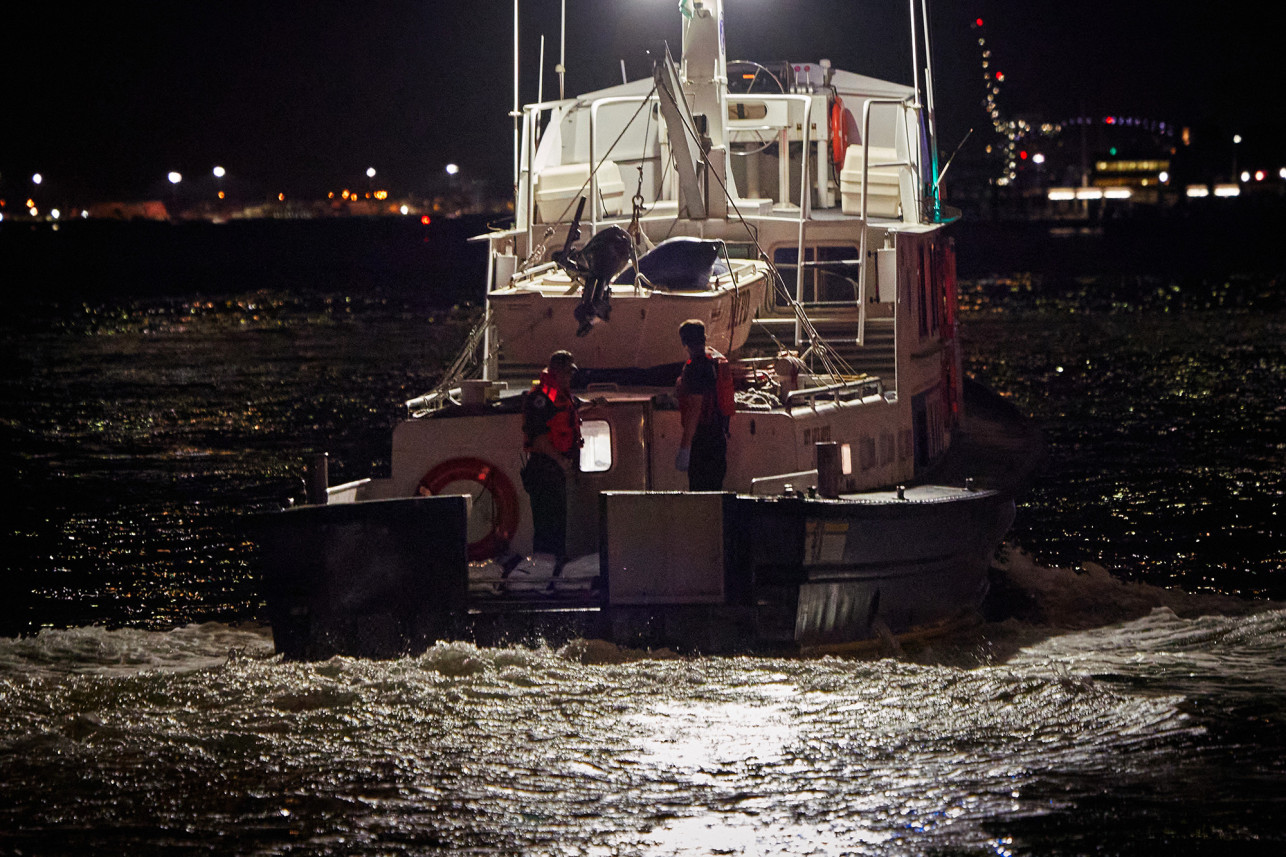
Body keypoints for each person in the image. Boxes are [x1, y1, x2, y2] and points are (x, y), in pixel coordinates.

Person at [518, 350, 582, 572]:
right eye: (565, 373)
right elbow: (539, 438)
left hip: (554, 470)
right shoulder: (540, 399)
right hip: (543, 469)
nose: (569, 378)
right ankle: (542, 574)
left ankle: (554, 572)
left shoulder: (559, 397)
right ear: (554, 373)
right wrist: (561, 460)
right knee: (547, 527)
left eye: (570, 373)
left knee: (557, 526)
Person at [675, 319, 729, 491]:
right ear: (704, 338)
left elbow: (695, 409)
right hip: (718, 438)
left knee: (700, 496)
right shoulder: (713, 361)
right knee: (715, 493)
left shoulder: (694, 368)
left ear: (684, 342)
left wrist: (685, 447)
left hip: (702, 443)